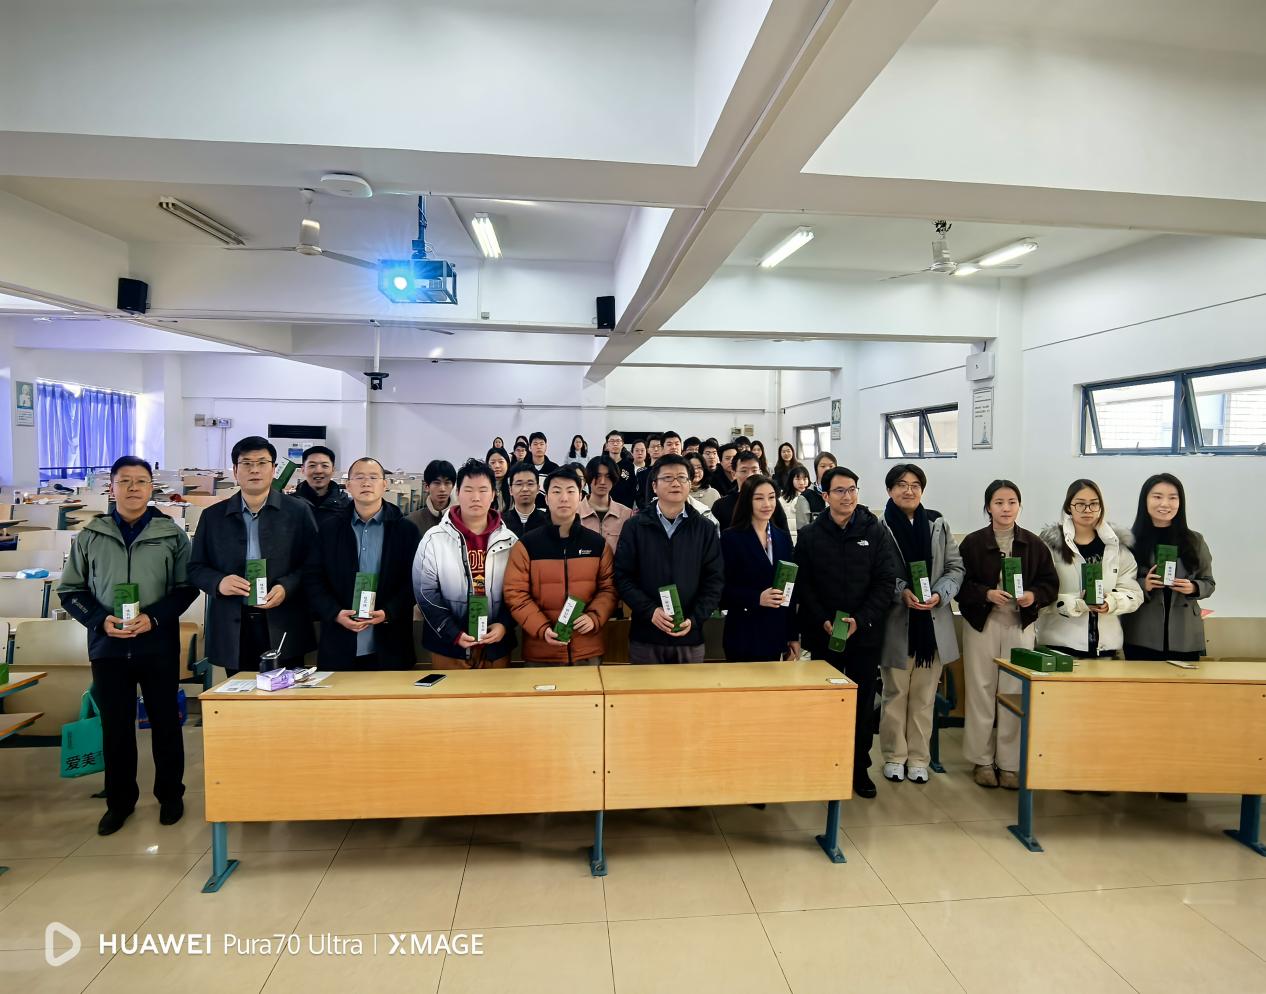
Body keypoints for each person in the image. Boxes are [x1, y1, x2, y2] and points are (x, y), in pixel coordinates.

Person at [58, 456, 199, 836]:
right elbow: (70, 591)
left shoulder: (170, 535)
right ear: (112, 487)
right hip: (109, 646)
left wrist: (154, 618)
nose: (133, 488)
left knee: (165, 723)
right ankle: (120, 802)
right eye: (125, 481)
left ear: (151, 487)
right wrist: (99, 620)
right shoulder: (91, 535)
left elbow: (186, 588)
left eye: (140, 481)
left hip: (157, 644)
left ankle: (170, 795)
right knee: (116, 727)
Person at [794, 466, 898, 798]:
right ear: (825, 496)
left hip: (863, 635)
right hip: (823, 634)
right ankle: (825, 764)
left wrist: (861, 619)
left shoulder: (874, 530)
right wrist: (822, 619)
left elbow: (885, 582)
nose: (847, 496)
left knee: (862, 702)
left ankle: (858, 768)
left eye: (852, 489)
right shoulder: (810, 535)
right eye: (839, 491)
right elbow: (804, 585)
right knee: (826, 702)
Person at [956, 480, 1058, 790]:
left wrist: (1032, 596)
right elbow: (960, 585)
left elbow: (1049, 584)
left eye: (1012, 502)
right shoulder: (973, 543)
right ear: (988, 507)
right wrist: (986, 593)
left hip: (1019, 624)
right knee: (981, 690)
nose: (1006, 508)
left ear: (1019, 506)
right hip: (982, 624)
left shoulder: (1033, 544)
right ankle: (982, 760)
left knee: (1014, 692)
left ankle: (1010, 764)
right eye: (999, 502)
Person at [189, 436, 317, 676]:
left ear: (273, 469)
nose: (254, 470)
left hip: (283, 620)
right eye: (246, 463)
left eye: (262, 463)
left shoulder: (297, 511)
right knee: (241, 692)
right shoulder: (213, 516)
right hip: (233, 623)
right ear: (235, 470)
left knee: (285, 693)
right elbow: (196, 568)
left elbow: (313, 563)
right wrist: (219, 582)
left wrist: (287, 587)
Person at [876, 464, 964, 785]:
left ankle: (918, 758)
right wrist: (901, 592)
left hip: (933, 624)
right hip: (897, 623)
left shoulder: (937, 524)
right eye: (901, 484)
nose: (909, 490)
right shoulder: (880, 527)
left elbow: (955, 568)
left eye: (915, 485)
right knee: (895, 694)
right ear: (890, 490)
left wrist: (940, 594)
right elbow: (878, 572)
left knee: (924, 697)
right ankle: (894, 756)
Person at [304, 457, 420, 671]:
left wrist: (389, 612)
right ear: (348, 485)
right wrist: (335, 613)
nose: (366, 483)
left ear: (385, 485)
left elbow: (414, 582)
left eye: (373, 477)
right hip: (339, 642)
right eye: (359, 477)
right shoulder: (329, 530)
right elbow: (313, 579)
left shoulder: (406, 531)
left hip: (391, 642)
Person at [614, 454, 724, 663]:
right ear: (654, 486)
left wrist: (695, 619)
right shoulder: (635, 526)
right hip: (646, 635)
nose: (675, 483)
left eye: (682, 477)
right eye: (667, 478)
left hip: (690, 637)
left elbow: (714, 580)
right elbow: (623, 577)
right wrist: (650, 611)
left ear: (690, 484)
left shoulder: (705, 528)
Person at [504, 468, 618, 665]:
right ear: (546, 498)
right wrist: (541, 628)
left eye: (571, 491)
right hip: (541, 650)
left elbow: (610, 588)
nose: (564, 498)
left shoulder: (597, 544)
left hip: (587, 650)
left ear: (580, 496)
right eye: (556, 491)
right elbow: (515, 593)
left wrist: (594, 617)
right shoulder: (527, 545)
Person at [413, 459, 518, 668]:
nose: (476, 497)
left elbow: (518, 591)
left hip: (495, 645)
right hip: (448, 645)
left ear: (493, 494)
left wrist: (504, 625)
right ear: (458, 493)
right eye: (468, 490)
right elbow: (425, 592)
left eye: (483, 490)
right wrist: (452, 631)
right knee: (449, 691)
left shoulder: (510, 541)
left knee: (497, 690)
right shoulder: (434, 539)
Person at [1038, 479, 1142, 659]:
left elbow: (1134, 594)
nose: (1087, 510)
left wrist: (1112, 602)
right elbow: (1040, 596)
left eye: (1094, 504)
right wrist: (1077, 604)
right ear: (1069, 507)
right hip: (1059, 648)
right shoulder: (1049, 546)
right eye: (1080, 504)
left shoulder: (1116, 547)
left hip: (1106, 650)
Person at [1122, 473, 1215, 662]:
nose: (1165, 504)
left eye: (1173, 498)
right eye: (1157, 497)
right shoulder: (1130, 540)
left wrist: (1194, 587)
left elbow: (1209, 583)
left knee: (1185, 681)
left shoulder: (1194, 540)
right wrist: (1143, 585)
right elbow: (1118, 585)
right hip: (1141, 632)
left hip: (1185, 633)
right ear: (1145, 500)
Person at [720, 475, 799, 662]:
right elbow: (721, 591)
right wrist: (757, 598)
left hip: (775, 634)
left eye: (771, 497)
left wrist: (792, 636)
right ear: (747, 501)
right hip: (743, 634)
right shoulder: (731, 538)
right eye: (759, 498)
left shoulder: (782, 538)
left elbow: (789, 590)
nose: (767, 504)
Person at [712, 451, 789, 532]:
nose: (750, 475)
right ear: (734, 473)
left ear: (760, 472)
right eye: (744, 471)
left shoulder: (770, 502)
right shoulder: (721, 505)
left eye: (754, 470)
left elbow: (784, 534)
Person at [579, 455, 633, 553]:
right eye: (598, 476)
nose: (603, 482)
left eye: (608, 476)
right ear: (589, 477)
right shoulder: (574, 513)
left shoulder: (626, 514)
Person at [293, 445, 352, 525]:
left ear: (333, 470)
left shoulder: (346, 505)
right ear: (303, 470)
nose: (318, 471)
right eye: (312, 465)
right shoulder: (289, 503)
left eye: (325, 466)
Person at [406, 460, 455, 536]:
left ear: (453, 486)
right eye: (437, 483)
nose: (442, 489)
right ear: (426, 487)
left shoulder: (463, 520)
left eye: (447, 483)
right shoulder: (411, 521)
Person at [503, 461, 550, 537]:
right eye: (519, 484)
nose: (525, 489)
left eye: (530, 484)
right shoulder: (501, 523)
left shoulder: (548, 521)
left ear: (538, 489)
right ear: (510, 490)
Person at [778, 465, 814, 543]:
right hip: (788, 539)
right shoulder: (782, 500)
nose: (801, 483)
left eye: (804, 479)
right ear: (791, 480)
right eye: (797, 479)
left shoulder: (813, 497)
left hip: (807, 540)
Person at [603, 430, 637, 507]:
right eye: (612, 441)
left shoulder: (629, 465)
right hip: (604, 506)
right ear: (607, 445)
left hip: (624, 507)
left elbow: (632, 489)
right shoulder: (602, 464)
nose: (615, 444)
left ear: (622, 445)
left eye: (618, 441)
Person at [634, 433, 665, 508]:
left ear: (663, 448)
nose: (656, 449)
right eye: (653, 447)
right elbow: (639, 496)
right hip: (647, 510)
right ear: (648, 450)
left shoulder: (668, 470)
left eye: (658, 446)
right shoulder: (641, 472)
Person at [486, 446, 513, 513]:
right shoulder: (483, 488)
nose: (497, 466)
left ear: (507, 464)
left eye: (501, 462)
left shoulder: (513, 487)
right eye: (493, 462)